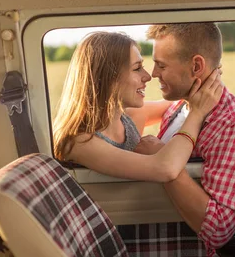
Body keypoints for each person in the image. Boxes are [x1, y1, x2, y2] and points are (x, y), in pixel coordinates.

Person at [136, 23, 235, 256]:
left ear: (196, 66)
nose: (153, 73)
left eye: (161, 65)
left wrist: (162, 159)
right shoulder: (182, 106)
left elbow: (219, 229)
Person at [52, 31, 223, 183]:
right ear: (109, 79)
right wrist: (197, 113)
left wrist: (201, 85)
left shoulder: (131, 118)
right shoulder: (80, 142)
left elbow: (177, 103)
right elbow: (166, 168)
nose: (148, 76)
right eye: (137, 68)